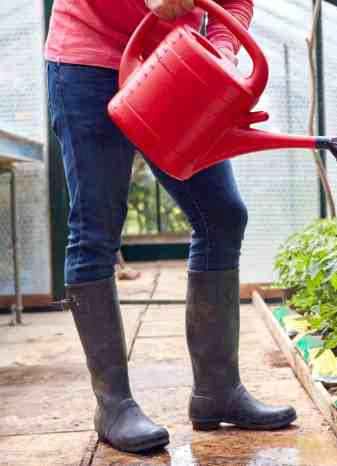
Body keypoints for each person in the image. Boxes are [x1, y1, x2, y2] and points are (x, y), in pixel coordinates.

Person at [45, 0, 296, 453]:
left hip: (175, 61)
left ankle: (217, 391)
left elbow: (235, 3)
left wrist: (221, 47)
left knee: (221, 215)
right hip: (88, 60)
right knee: (95, 229)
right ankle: (114, 405)